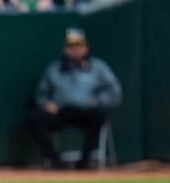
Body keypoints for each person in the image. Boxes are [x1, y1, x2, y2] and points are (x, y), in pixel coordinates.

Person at [27, 28, 122, 169]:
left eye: (79, 46)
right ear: (65, 49)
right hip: (61, 112)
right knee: (34, 118)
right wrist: (46, 104)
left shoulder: (98, 67)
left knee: (100, 115)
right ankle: (55, 161)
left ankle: (85, 161)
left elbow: (114, 92)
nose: (76, 50)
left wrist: (97, 101)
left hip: (88, 112)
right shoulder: (54, 69)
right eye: (71, 47)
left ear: (86, 48)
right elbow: (41, 93)